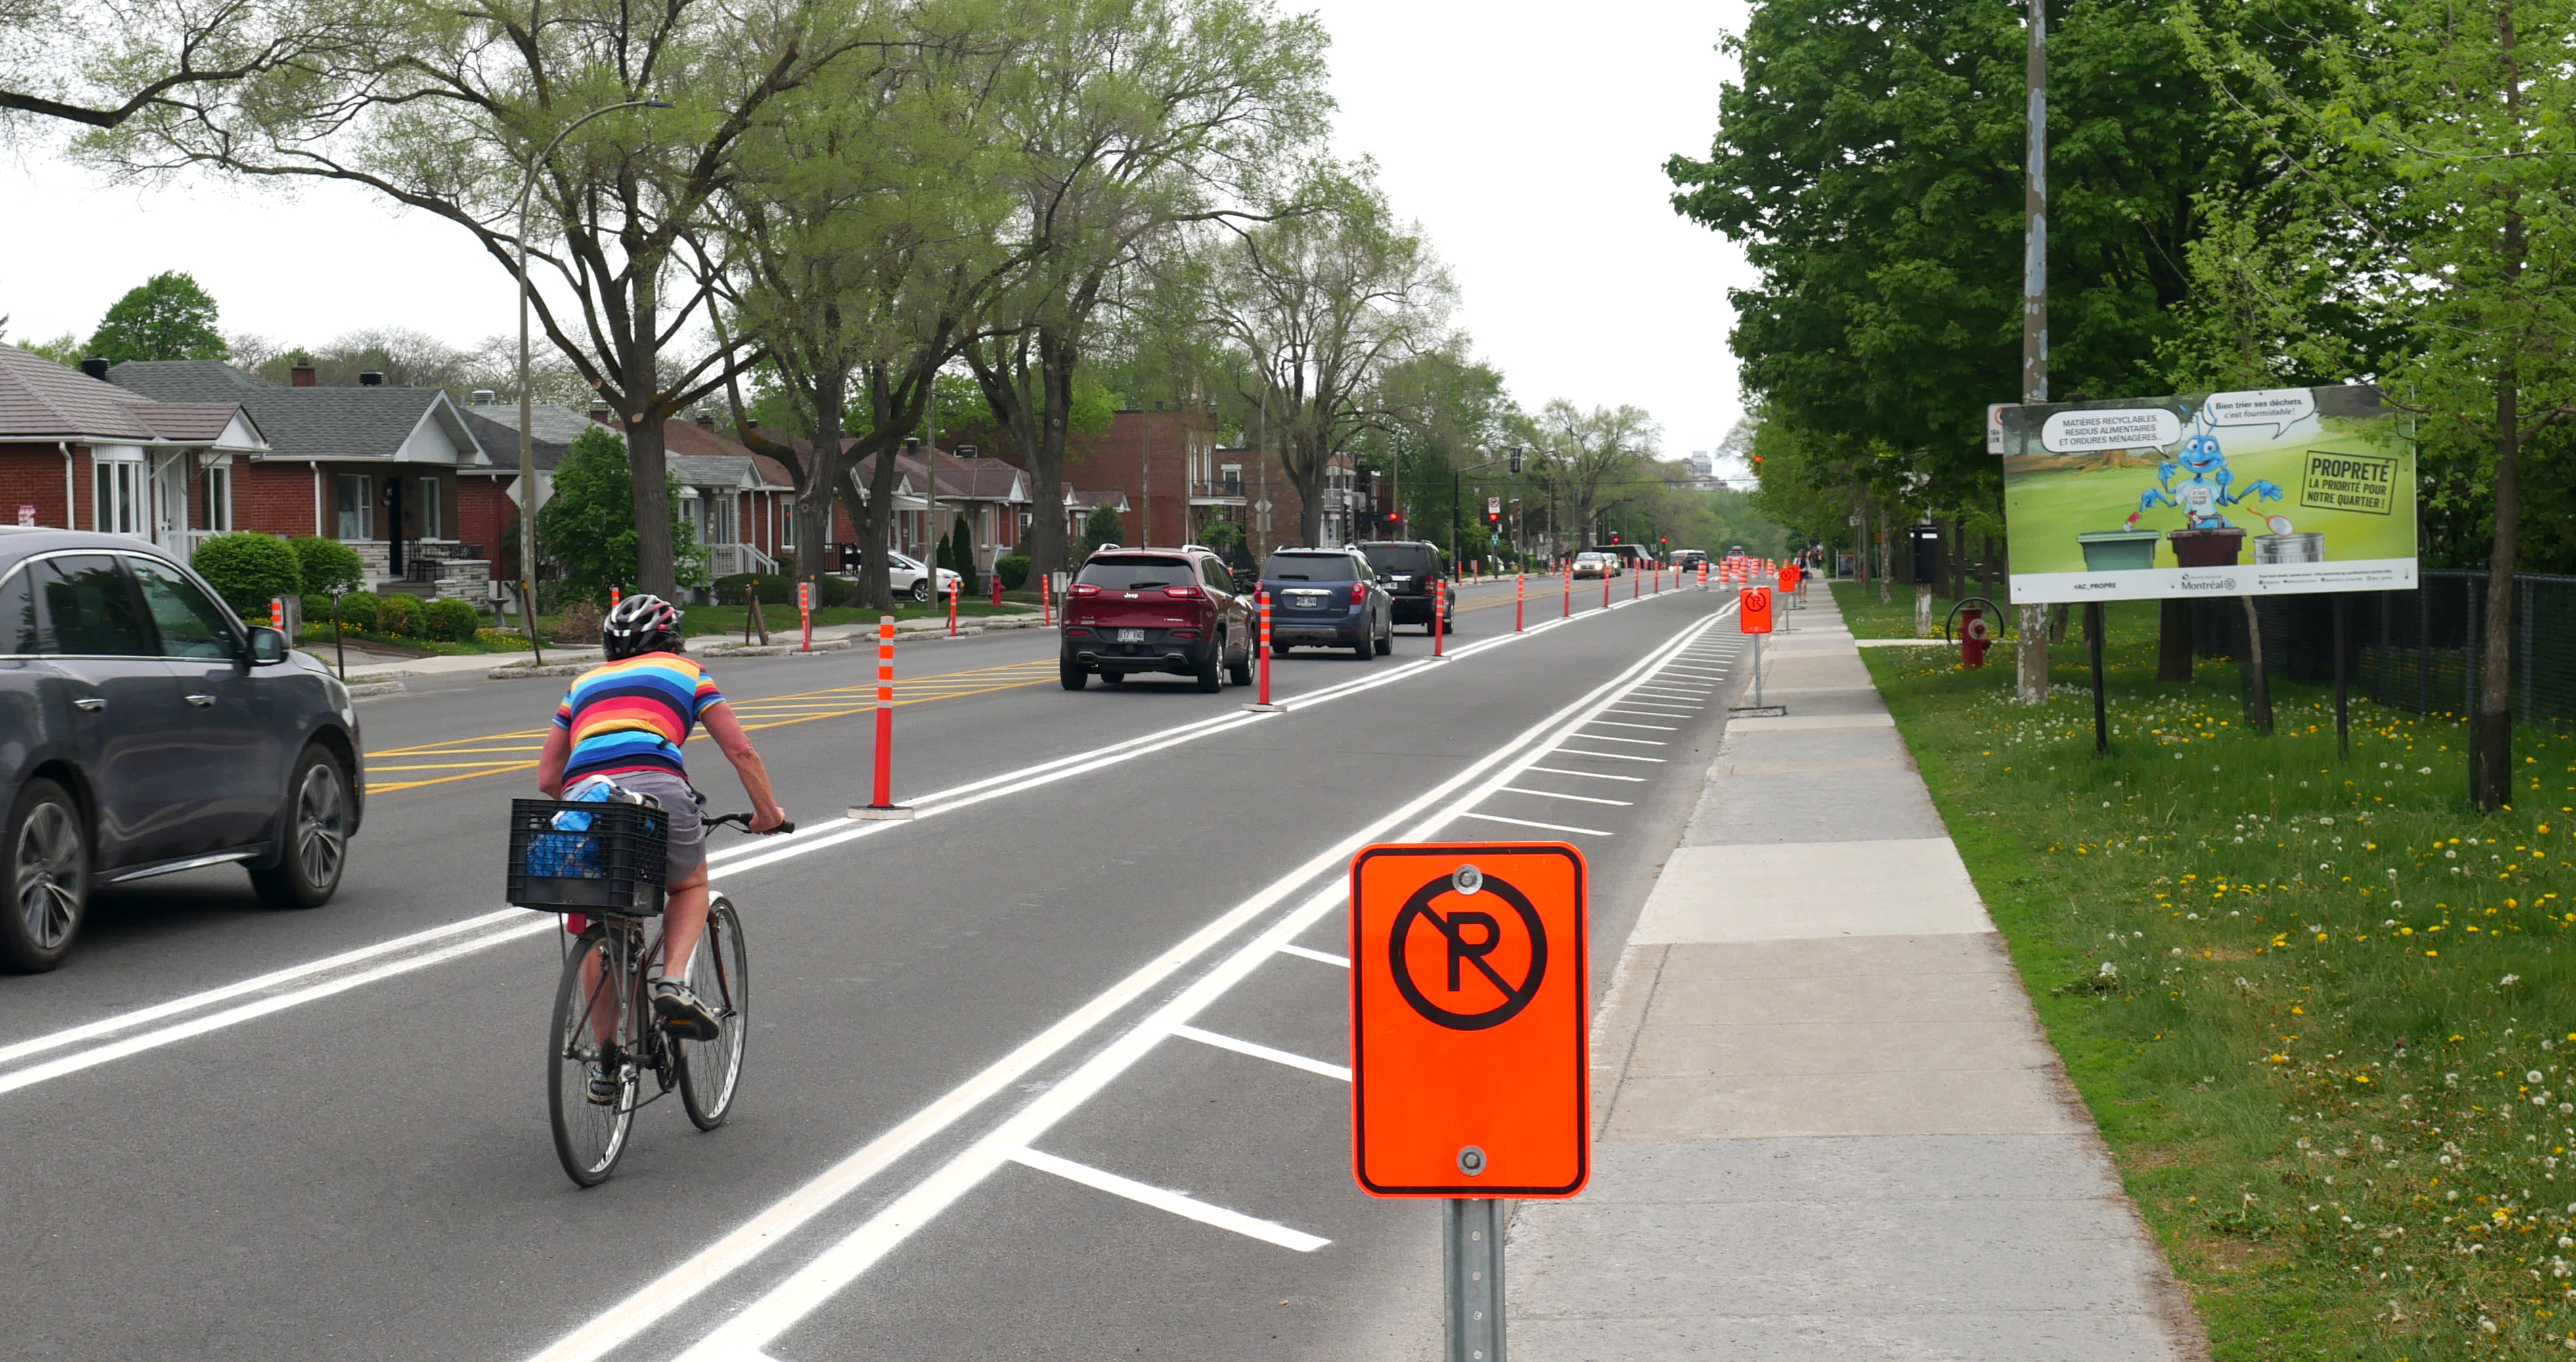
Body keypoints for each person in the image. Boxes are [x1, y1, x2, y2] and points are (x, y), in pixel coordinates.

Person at [535, 594, 786, 1070]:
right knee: (689, 885)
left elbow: (549, 779)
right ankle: (672, 983)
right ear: (672, 640)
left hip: (589, 794)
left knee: (602, 918)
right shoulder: (688, 672)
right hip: (657, 787)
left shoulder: (581, 684)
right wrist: (767, 813)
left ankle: (607, 1063)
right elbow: (742, 751)